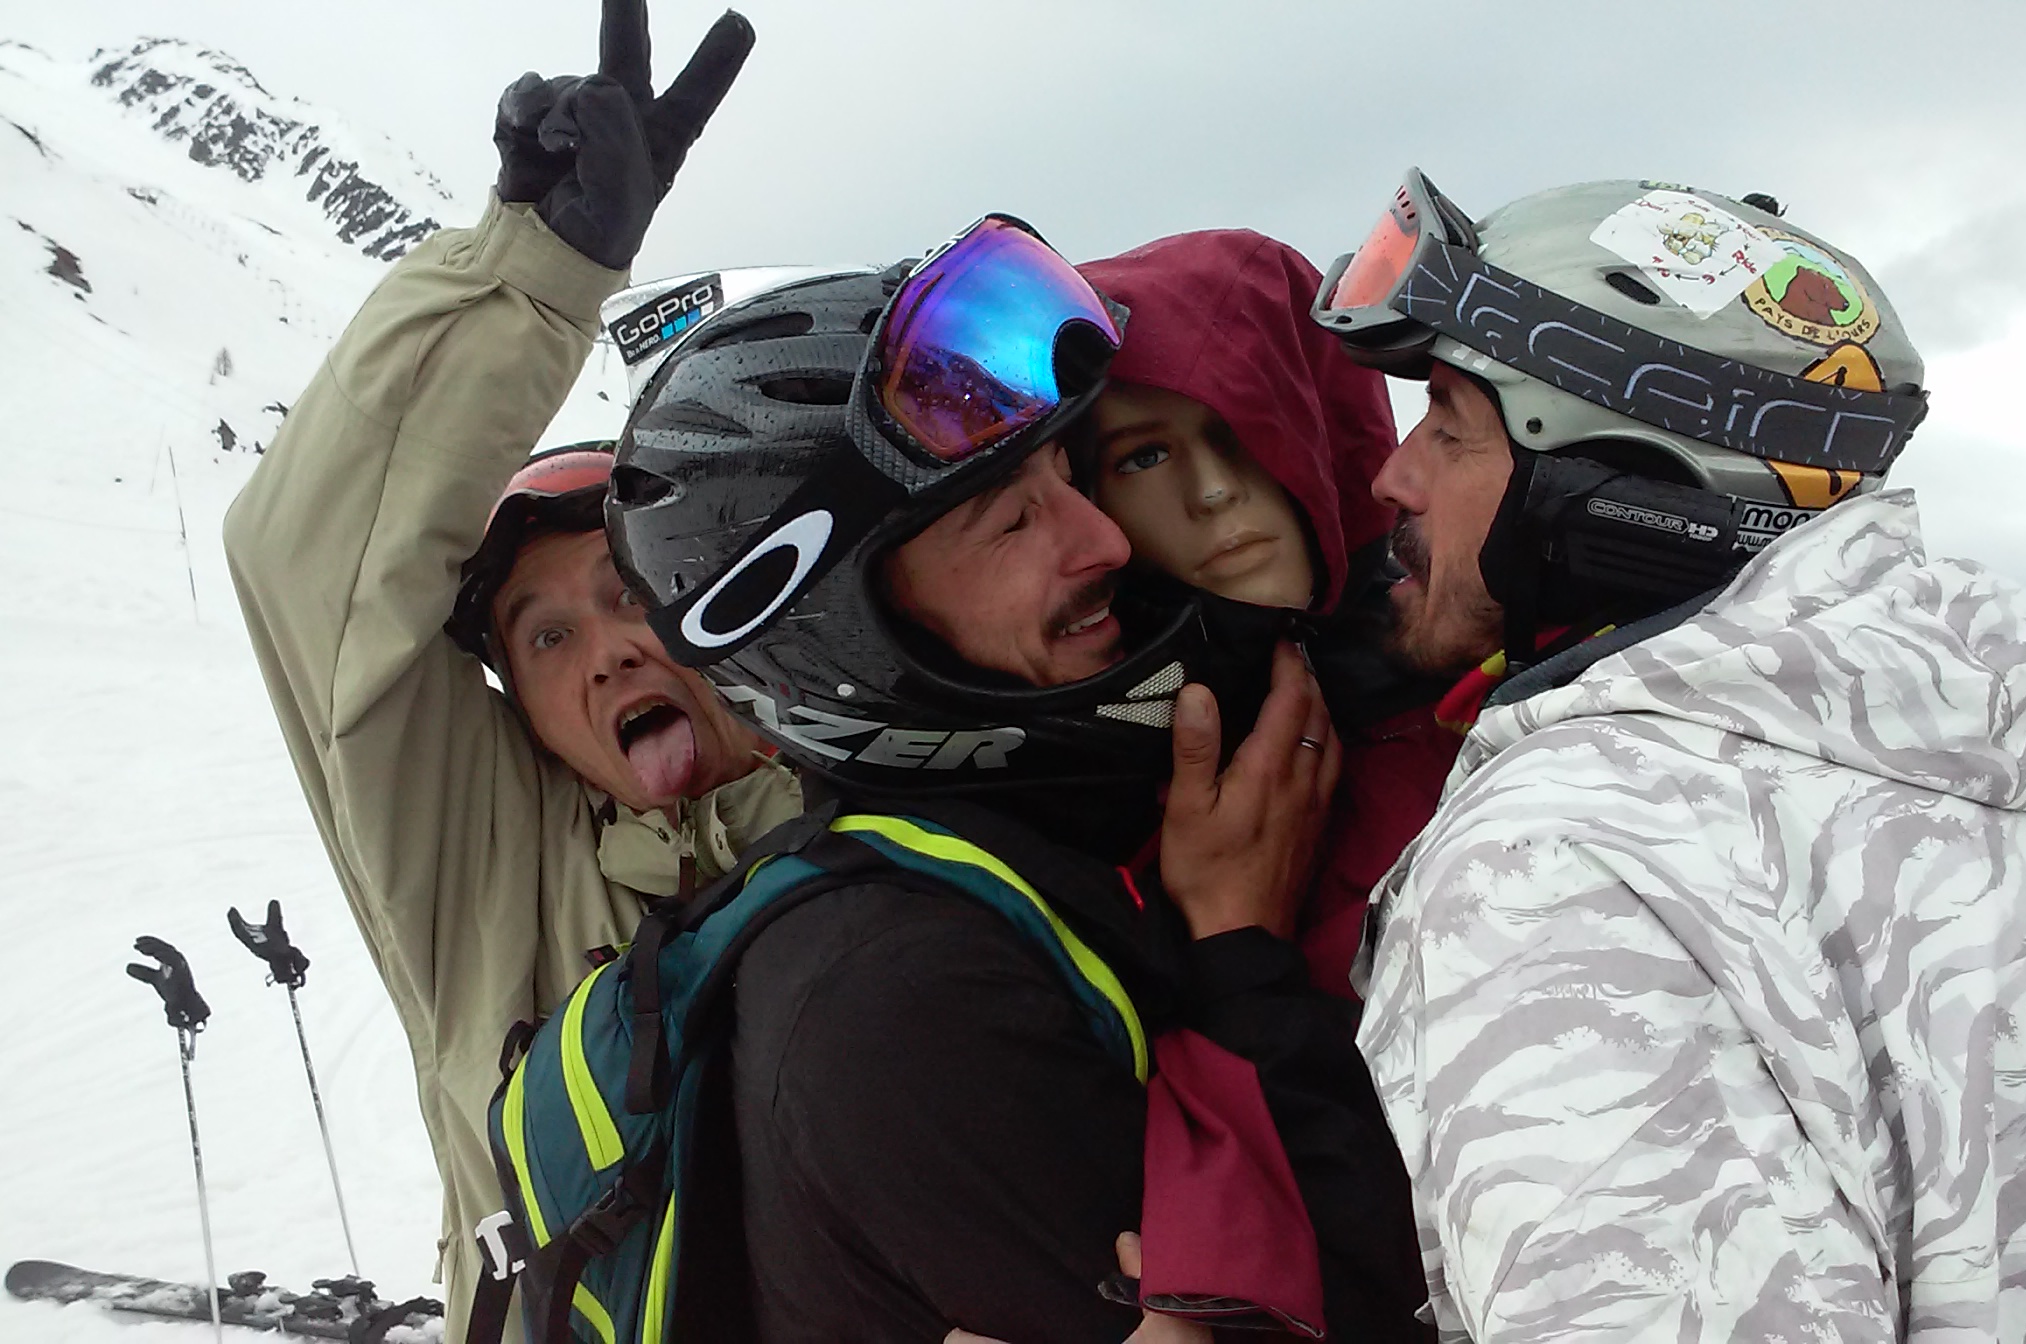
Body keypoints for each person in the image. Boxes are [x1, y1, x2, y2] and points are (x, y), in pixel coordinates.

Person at [1313, 173, 2026, 1339]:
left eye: (1448, 425)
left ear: (1611, 488)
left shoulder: (1560, 855)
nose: (1394, 477)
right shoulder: (1958, 751)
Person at [607, 217, 1430, 1342]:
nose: (1104, 541)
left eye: (1069, 473)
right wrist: (1241, 956)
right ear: (849, 638)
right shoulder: (907, 1003)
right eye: (1010, 521)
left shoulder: (1032, 854)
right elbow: (1351, 1311)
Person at [221, 4, 798, 1330]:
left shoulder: (857, 764)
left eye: (622, 593)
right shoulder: (487, 859)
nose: (605, 652)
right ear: (514, 705)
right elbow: (308, 566)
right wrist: (540, 273)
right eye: (546, 639)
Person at [1078, 230, 1459, 1003]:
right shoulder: (1090, 777)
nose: (1214, 490)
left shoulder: (1494, 687)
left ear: (1321, 418)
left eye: (1252, 431)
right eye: (1142, 458)